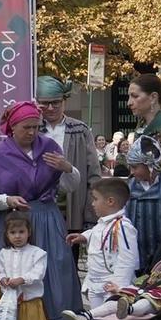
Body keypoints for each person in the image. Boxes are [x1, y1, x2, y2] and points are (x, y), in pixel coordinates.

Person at [0, 101, 82, 320]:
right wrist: (7, 200)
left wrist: (66, 167)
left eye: (37, 127)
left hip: (47, 218)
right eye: (27, 127)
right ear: (12, 127)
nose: (33, 132)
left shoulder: (50, 148)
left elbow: (71, 186)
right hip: (13, 222)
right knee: (15, 279)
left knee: (55, 275)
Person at [34, 76, 99, 233]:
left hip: (73, 204)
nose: (50, 108)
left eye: (55, 102)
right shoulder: (32, 128)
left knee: (71, 249)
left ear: (64, 101)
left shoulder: (80, 129)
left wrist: (90, 212)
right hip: (38, 205)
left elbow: (93, 173)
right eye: (44, 103)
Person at [72, 178, 140, 320]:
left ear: (110, 201)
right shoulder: (103, 223)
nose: (92, 203)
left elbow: (129, 259)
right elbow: (97, 233)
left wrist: (118, 286)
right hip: (95, 283)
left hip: (111, 285)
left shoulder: (122, 226)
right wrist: (83, 236)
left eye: (95, 199)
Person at [116, 73, 161, 189]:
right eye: (129, 97)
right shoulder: (142, 125)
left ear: (153, 97)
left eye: (135, 96)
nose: (129, 103)